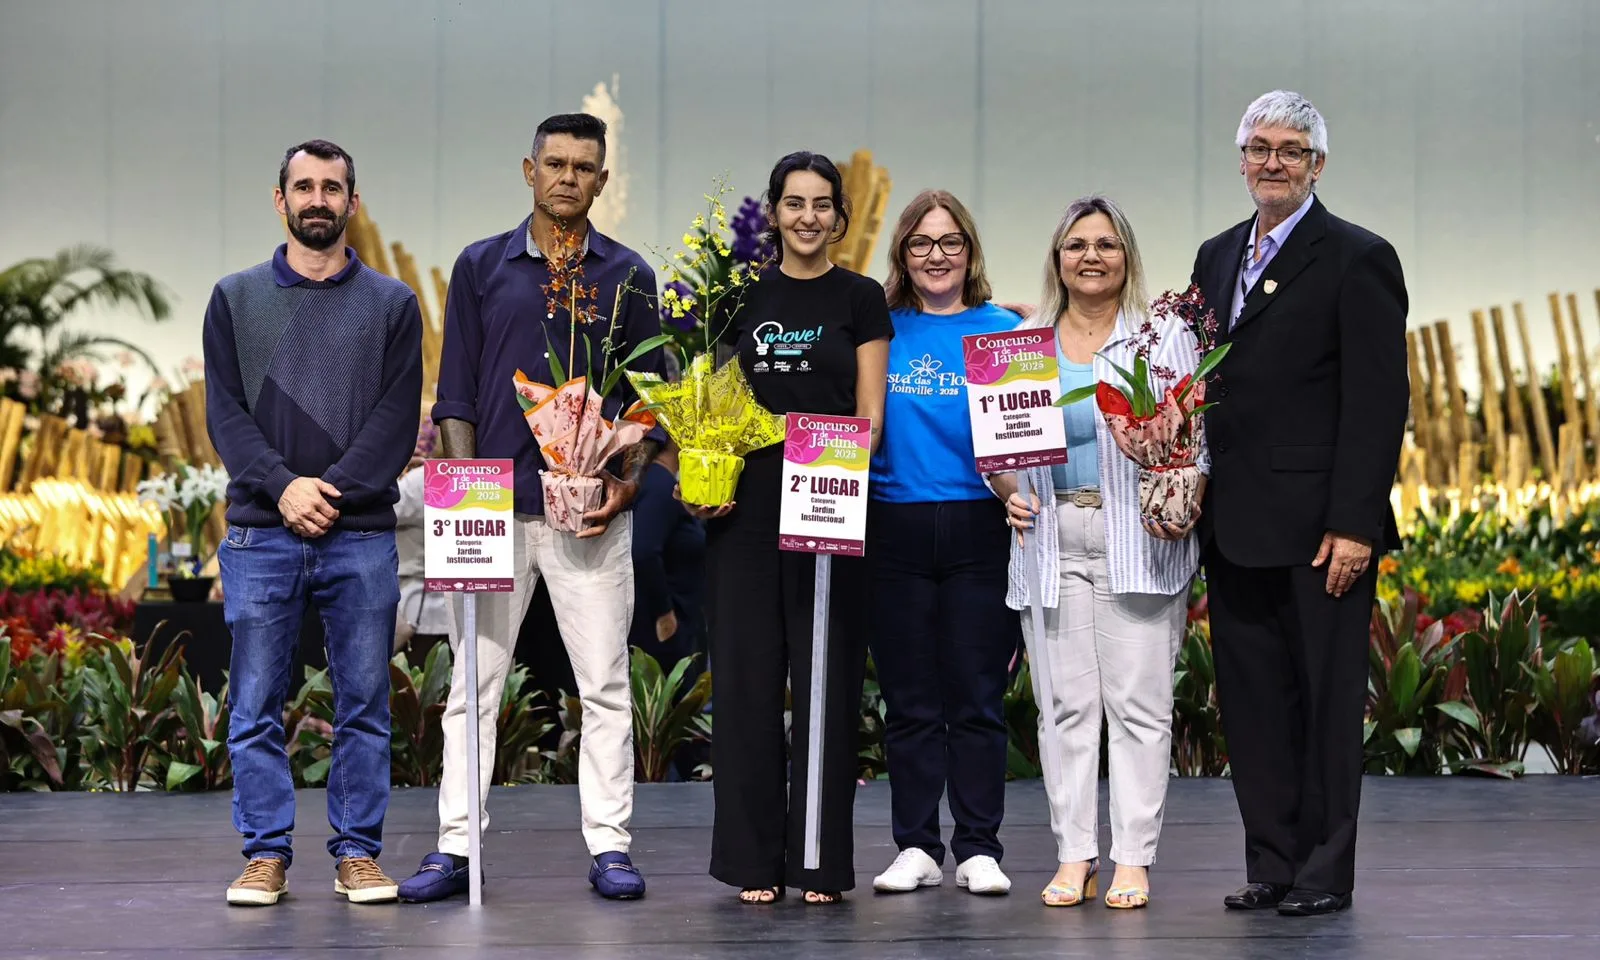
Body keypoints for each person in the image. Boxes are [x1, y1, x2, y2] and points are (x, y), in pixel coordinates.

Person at [400, 113, 666, 903]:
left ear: (602, 181)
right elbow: (455, 399)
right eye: (555, 163)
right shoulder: (482, 266)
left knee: (606, 684)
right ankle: (454, 848)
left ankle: (611, 846)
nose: (568, 178)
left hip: (590, 515)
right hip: (497, 514)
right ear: (528, 170)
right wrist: (465, 491)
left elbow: (648, 403)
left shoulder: (630, 277)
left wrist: (628, 480)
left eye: (584, 167)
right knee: (472, 689)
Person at [1190, 90, 1408, 917]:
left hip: (1323, 531)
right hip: (1234, 524)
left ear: (1317, 163)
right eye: (1258, 148)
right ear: (1241, 159)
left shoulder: (1357, 256)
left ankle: (1324, 871)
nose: (1271, 162)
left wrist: (1356, 522)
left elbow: (1380, 402)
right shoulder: (1214, 256)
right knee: (1250, 706)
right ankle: (1272, 862)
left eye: (1290, 149)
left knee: (1322, 704)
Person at [204, 138, 422, 906]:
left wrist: (323, 491)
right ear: (281, 199)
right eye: (305, 186)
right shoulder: (233, 299)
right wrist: (282, 488)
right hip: (261, 535)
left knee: (363, 706)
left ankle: (358, 853)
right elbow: (224, 417)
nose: (319, 199)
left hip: (359, 535)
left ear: (352, 203)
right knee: (256, 703)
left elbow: (397, 423)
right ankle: (264, 854)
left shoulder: (393, 305)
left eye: (333, 187)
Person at [681, 151, 892, 905]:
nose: (808, 217)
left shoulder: (862, 298)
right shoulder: (734, 298)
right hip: (741, 517)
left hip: (829, 508)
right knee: (743, 686)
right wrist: (701, 479)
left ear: (838, 215)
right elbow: (706, 413)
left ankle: (818, 863)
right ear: (772, 212)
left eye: (822, 204)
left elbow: (870, 422)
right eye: (794, 203)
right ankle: (751, 862)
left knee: (827, 685)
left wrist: (832, 455)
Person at [993, 195, 1206, 910]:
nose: (1092, 256)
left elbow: (1198, 442)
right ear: (1057, 258)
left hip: (1137, 542)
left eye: (1107, 244)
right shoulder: (1021, 344)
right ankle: (1075, 854)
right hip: (1049, 541)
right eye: (1077, 244)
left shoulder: (1162, 337)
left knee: (1140, 707)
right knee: (1063, 709)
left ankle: (1133, 860)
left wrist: (1180, 483)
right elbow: (997, 453)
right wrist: (1004, 489)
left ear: (1127, 257)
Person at [865, 190, 1019, 897]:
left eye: (950, 242)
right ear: (903, 253)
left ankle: (979, 846)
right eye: (922, 243)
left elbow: (1023, 447)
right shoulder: (880, 331)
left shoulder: (1001, 332)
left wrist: (1019, 492)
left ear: (970, 251)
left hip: (979, 525)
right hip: (894, 523)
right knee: (911, 698)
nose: (936, 256)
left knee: (978, 696)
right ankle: (918, 845)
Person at [627, 440, 709, 780]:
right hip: (663, 632)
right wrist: (665, 613)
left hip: (680, 622)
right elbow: (643, 550)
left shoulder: (668, 483)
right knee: (669, 722)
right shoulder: (660, 487)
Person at [392, 418, 453, 658]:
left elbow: (382, 511)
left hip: (418, 610)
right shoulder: (475, 479)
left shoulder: (421, 481)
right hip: (458, 612)